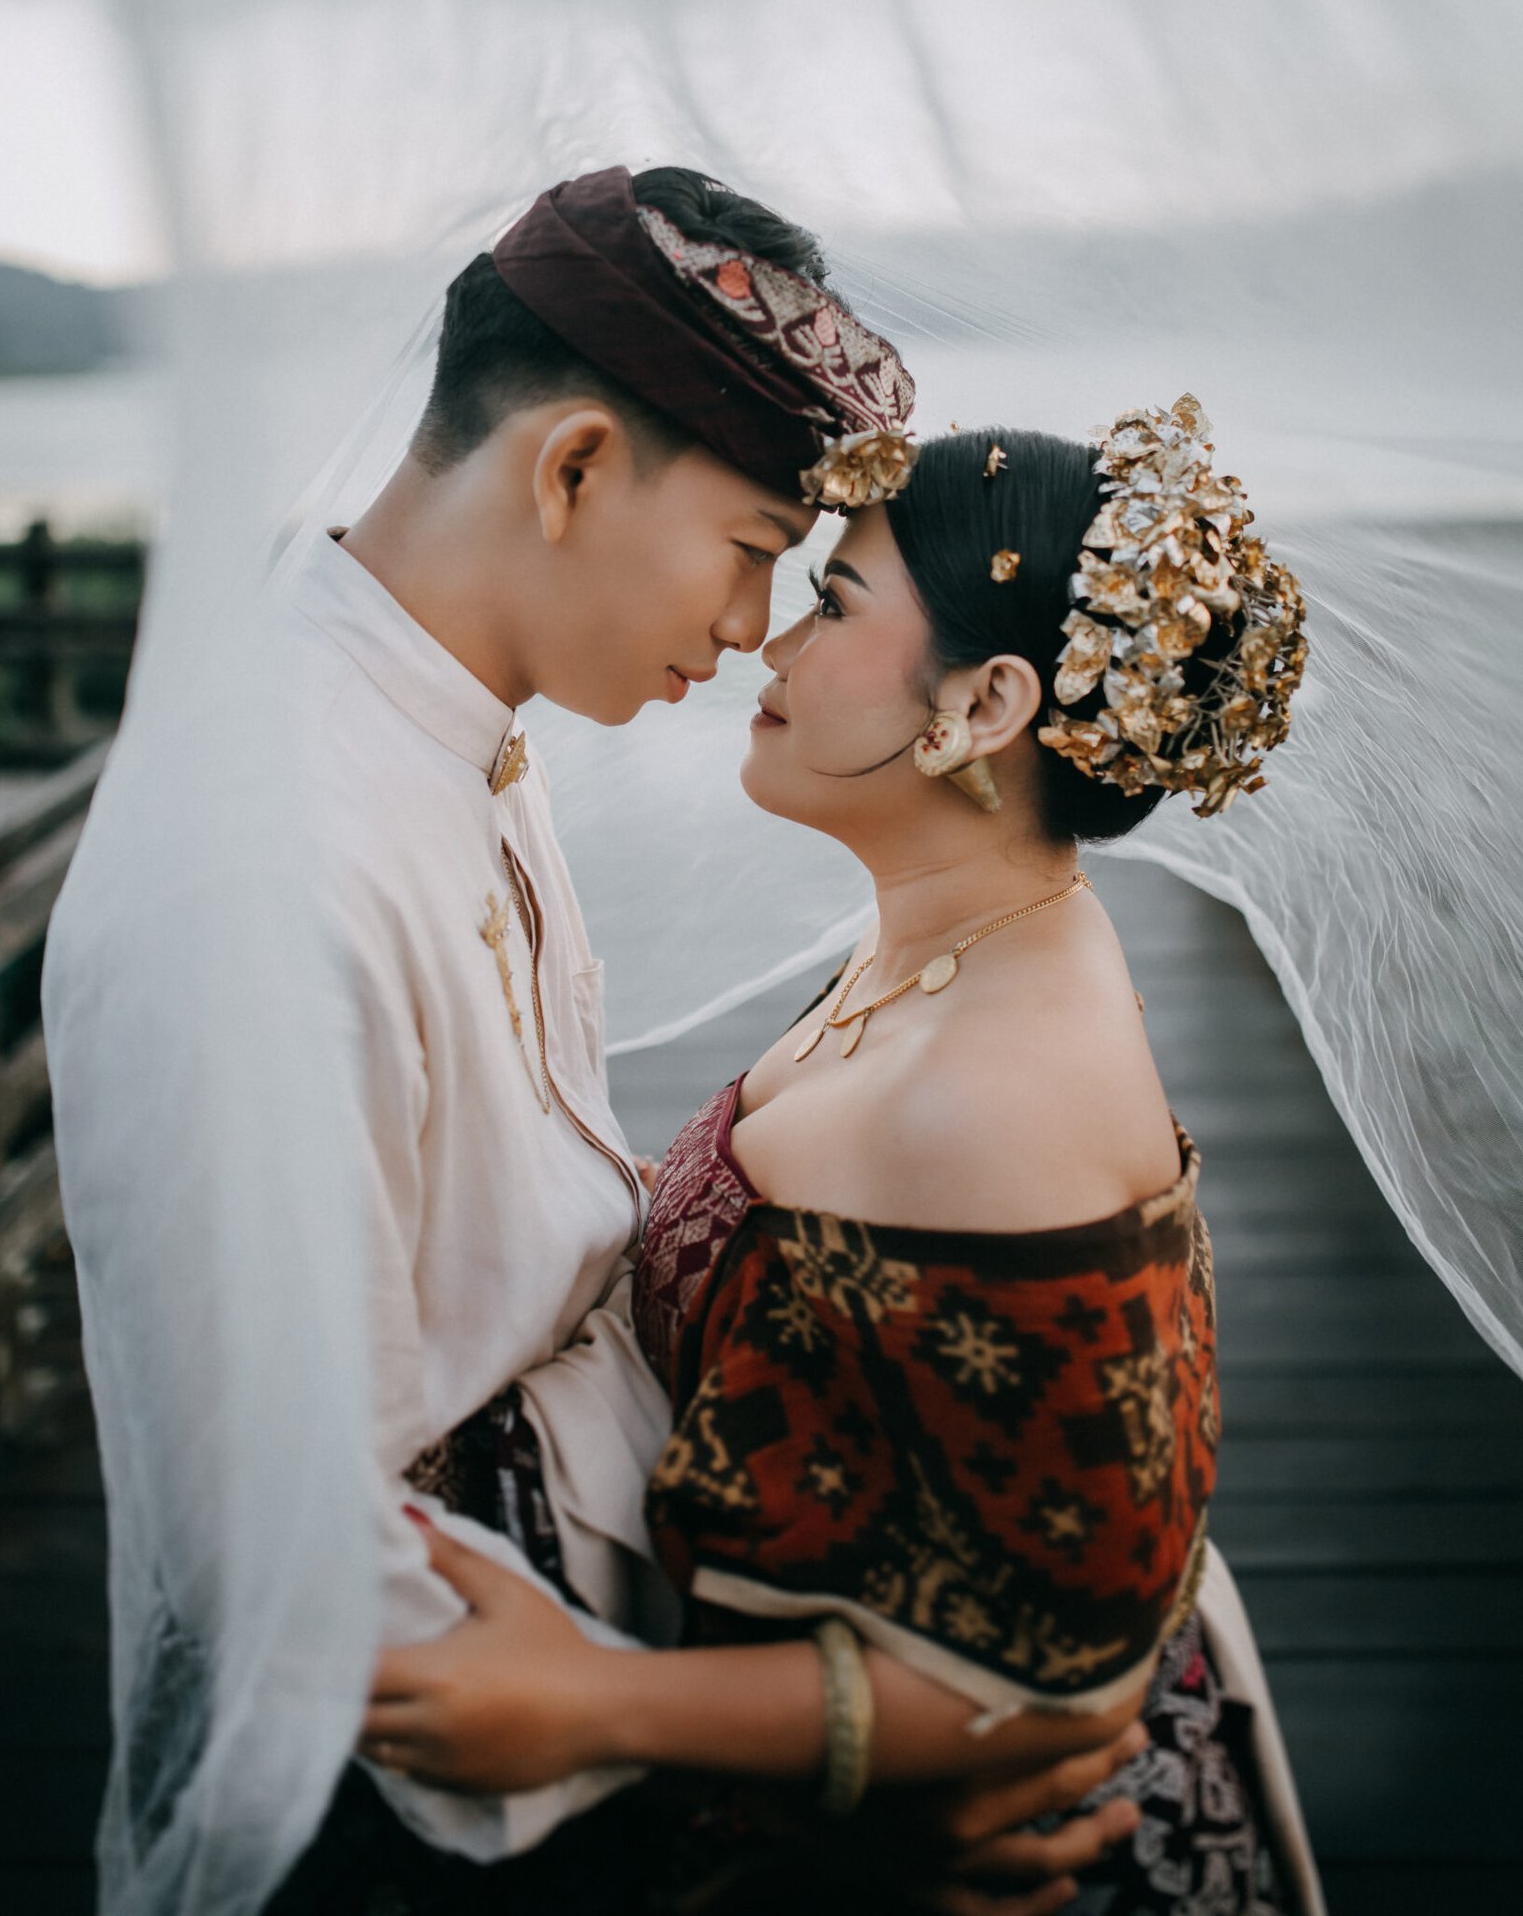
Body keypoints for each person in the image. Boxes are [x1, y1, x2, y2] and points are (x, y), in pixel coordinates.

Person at [46, 166, 1146, 1916]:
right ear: (569, 469)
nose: (749, 631)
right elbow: (302, 1579)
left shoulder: (444, 723)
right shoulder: (261, 874)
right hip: (442, 1816)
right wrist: (820, 1793)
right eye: (752, 553)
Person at [356, 408, 1325, 1916]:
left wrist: (591, 1705)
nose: (771, 641)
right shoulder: (946, 942)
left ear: (986, 703)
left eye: (834, 602)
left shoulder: (1000, 1098)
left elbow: (1057, 1677)